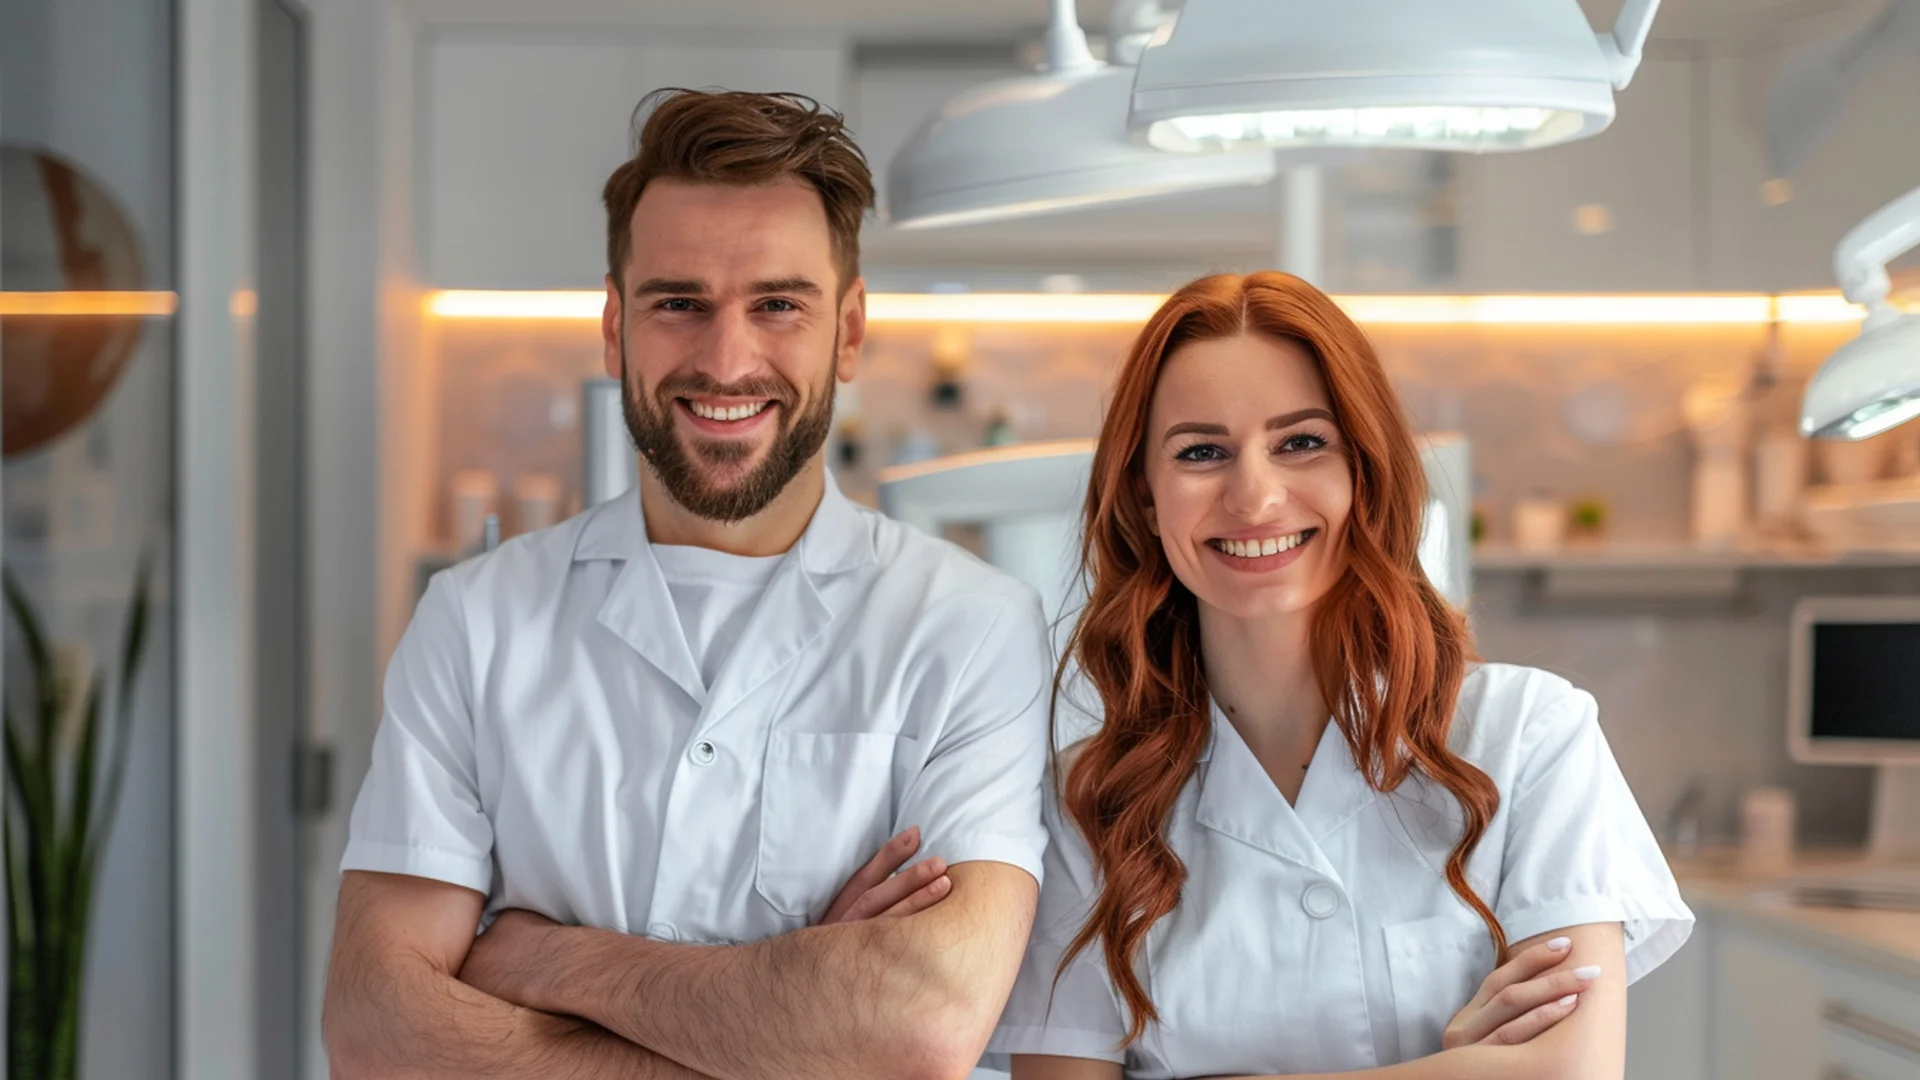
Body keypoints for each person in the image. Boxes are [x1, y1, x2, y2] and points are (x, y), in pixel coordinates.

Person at [321, 89, 1053, 1080]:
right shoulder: (476, 621)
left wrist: (545, 956)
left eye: (778, 305)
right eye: (679, 303)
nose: (725, 359)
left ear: (849, 330)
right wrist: (796, 1013)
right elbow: (376, 1029)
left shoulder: (969, 627)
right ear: (616, 326)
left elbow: (916, 1028)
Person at [989, 272, 1693, 1080]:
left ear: (1365, 471)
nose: (1254, 496)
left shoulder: (1529, 735)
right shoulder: (1086, 805)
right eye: (1202, 452)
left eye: (1301, 442)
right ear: (1146, 499)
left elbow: (1570, 1072)